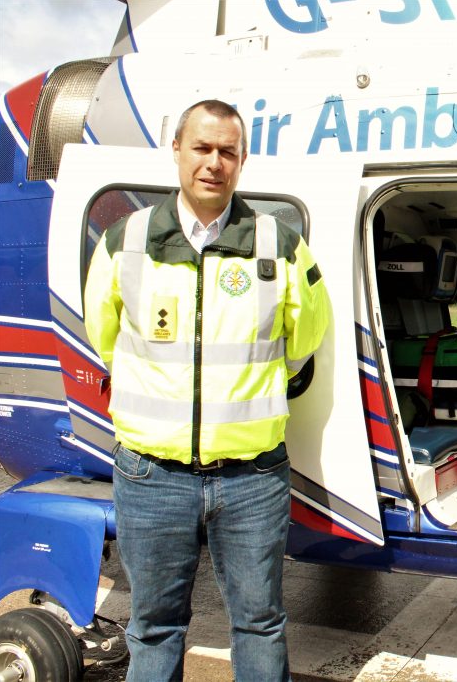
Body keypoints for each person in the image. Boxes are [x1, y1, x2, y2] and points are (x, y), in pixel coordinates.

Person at [84, 99, 331, 681]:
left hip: (252, 476)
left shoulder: (281, 245)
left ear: (242, 161)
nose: (213, 163)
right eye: (202, 148)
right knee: (154, 625)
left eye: (227, 151)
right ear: (176, 150)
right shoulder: (127, 240)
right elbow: (106, 337)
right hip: (151, 475)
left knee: (261, 622)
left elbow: (307, 334)